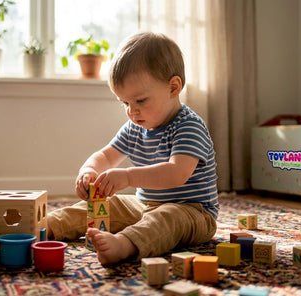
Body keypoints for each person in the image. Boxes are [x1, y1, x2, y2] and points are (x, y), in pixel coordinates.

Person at [47, 32, 219, 266]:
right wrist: (88, 170)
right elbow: (107, 155)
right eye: (125, 103)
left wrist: (128, 176)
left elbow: (176, 173)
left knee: (166, 218)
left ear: (173, 87)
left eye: (140, 101)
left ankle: (125, 244)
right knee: (111, 204)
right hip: (145, 205)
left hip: (193, 212)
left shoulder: (189, 126)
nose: (132, 111)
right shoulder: (135, 127)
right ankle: (48, 226)